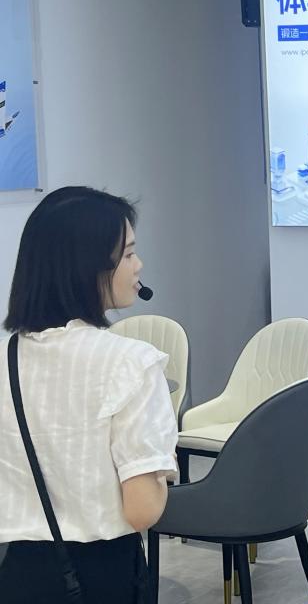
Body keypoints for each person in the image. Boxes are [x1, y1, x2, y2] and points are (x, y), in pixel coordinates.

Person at [0, 187, 178, 604]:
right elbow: (142, 510)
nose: (139, 265)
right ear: (90, 267)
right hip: (103, 571)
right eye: (129, 254)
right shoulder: (132, 363)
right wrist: (161, 474)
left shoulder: (6, 358)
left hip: (18, 571)